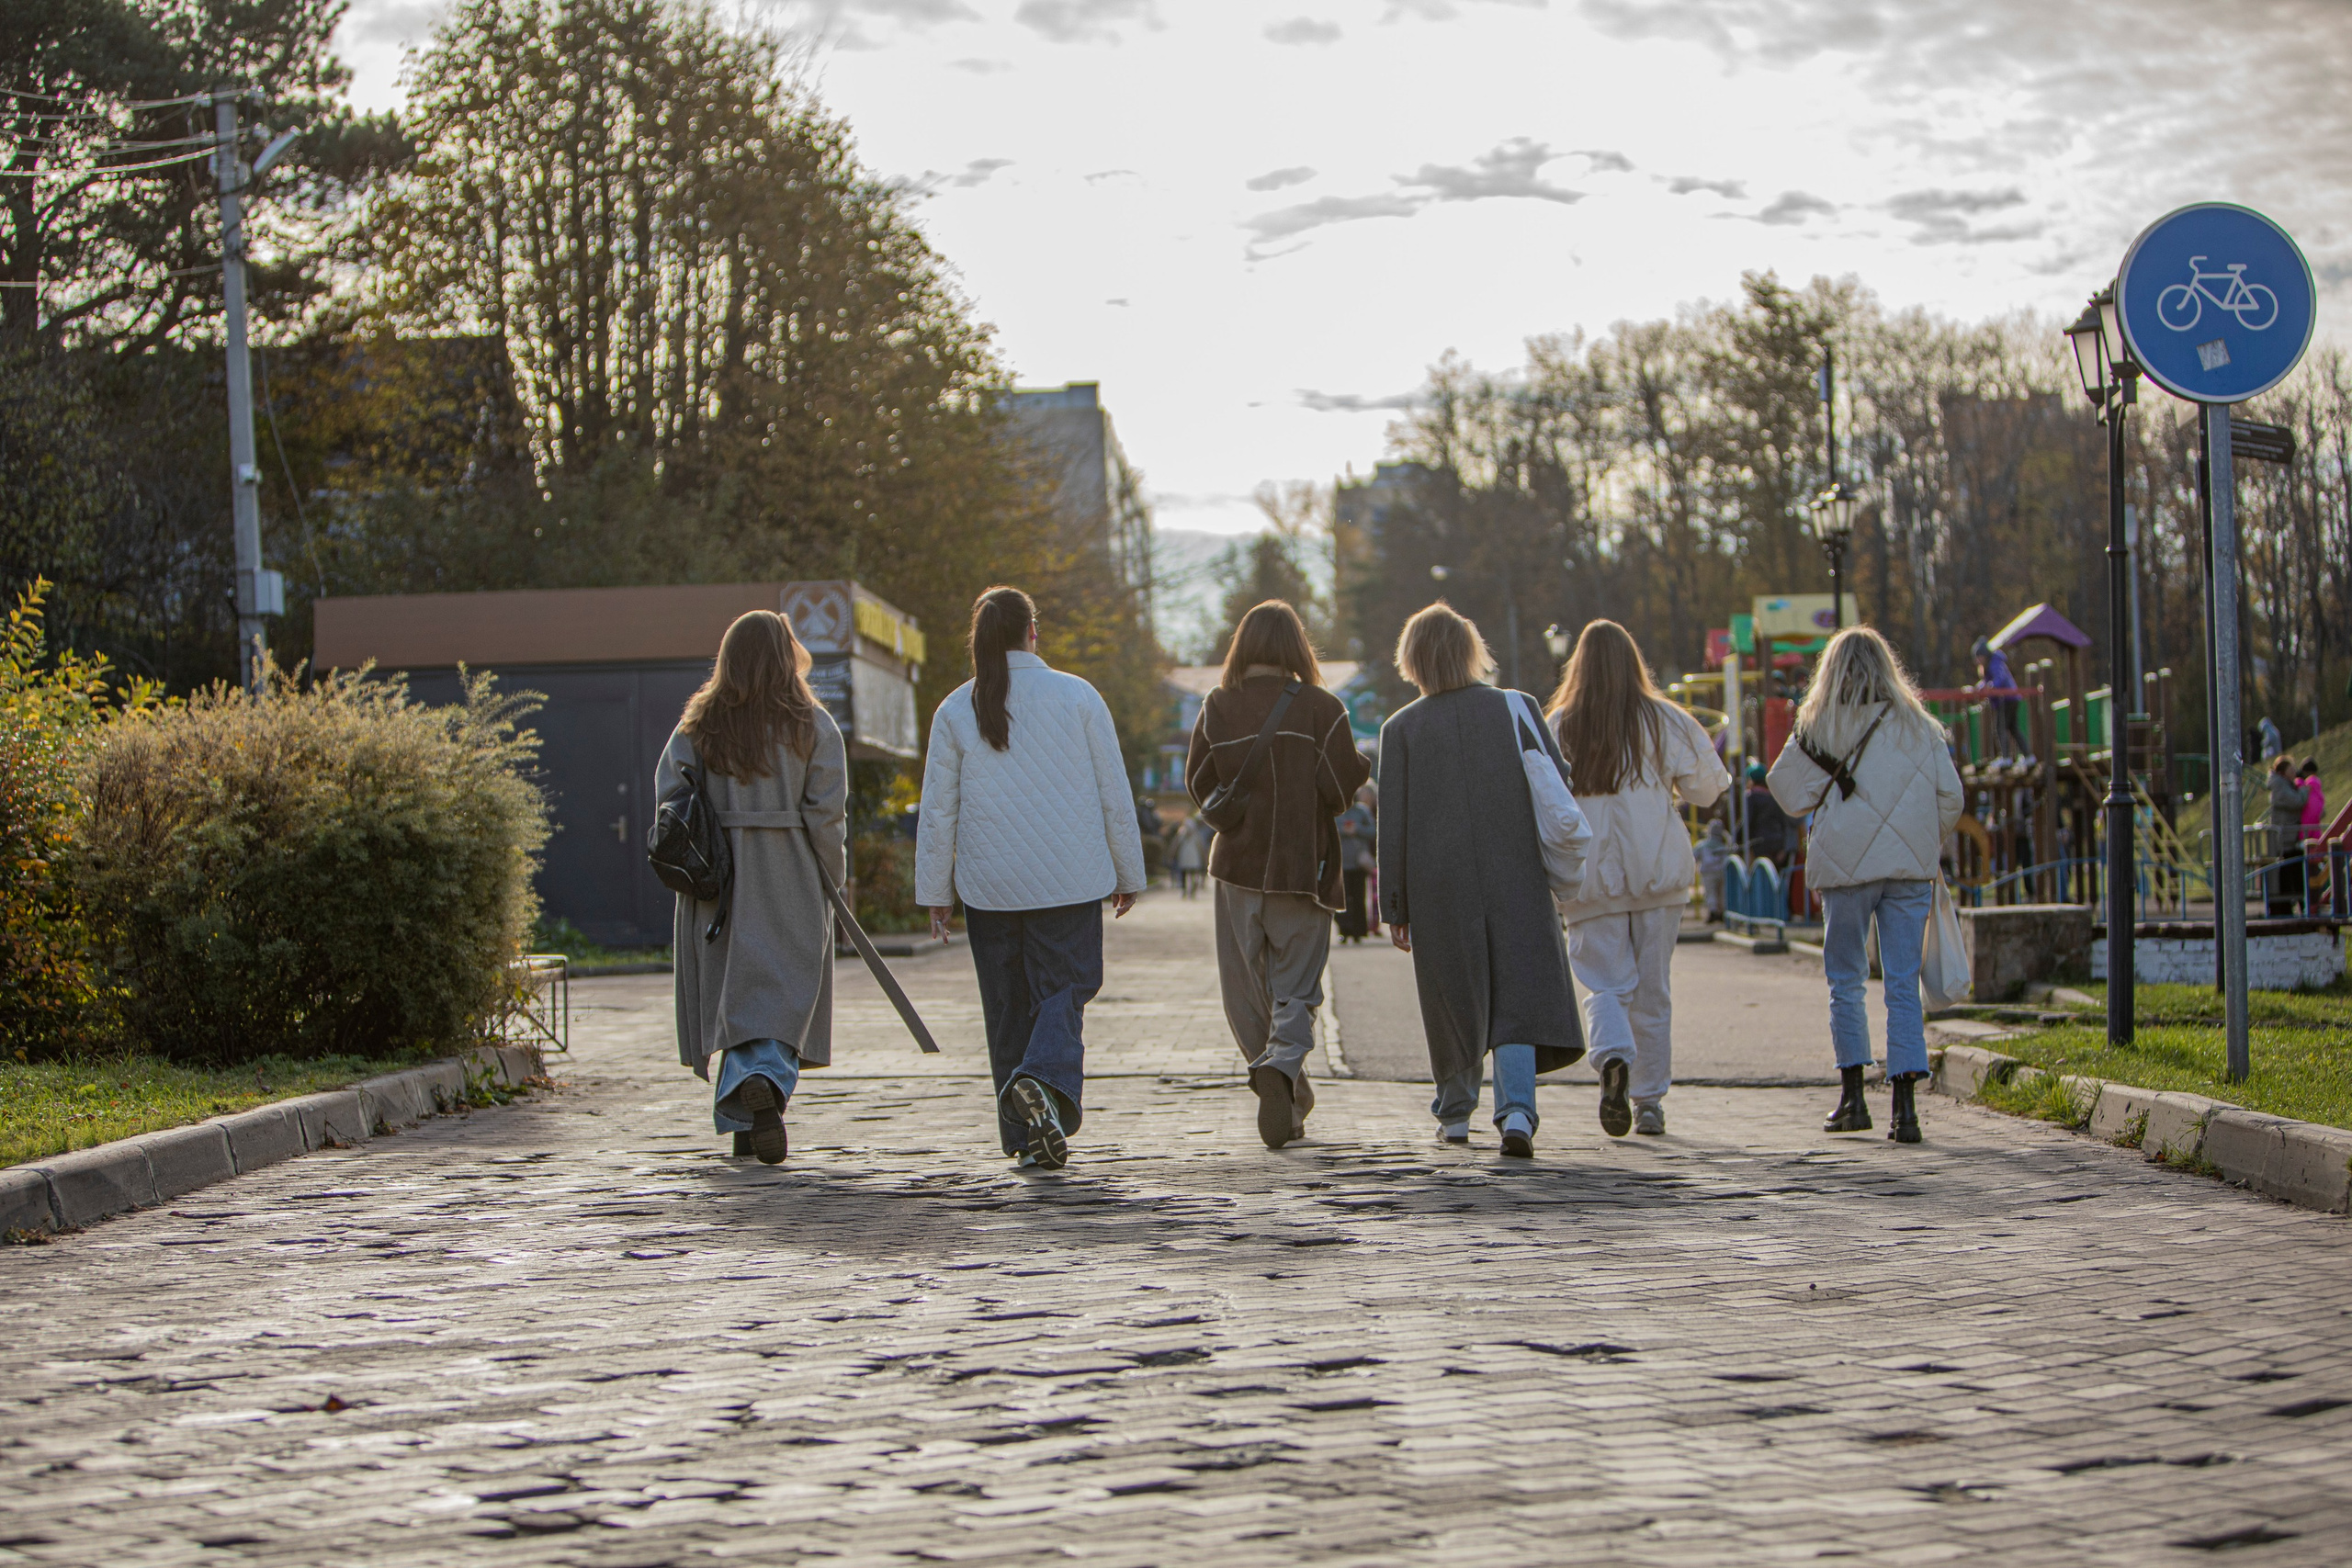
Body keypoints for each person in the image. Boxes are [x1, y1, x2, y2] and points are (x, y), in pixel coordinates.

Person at [916, 586, 1147, 1171]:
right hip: (1071, 878)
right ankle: (1041, 1080)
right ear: (1032, 632)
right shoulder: (1079, 696)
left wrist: (936, 892)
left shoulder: (956, 708)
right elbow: (1113, 792)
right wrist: (1128, 870)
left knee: (1005, 1008)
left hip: (988, 885)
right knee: (1065, 990)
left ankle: (1022, 1136)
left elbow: (939, 810)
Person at [1377, 603, 1585, 1157]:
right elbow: (1557, 779)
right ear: (1471, 651)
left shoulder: (1401, 728)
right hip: (1516, 872)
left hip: (1437, 885)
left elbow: (1392, 824)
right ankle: (1516, 1111)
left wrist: (1394, 905)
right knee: (1517, 994)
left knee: (1452, 995)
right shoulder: (1516, 707)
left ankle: (1454, 1114)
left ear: (1411, 660)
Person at [659, 609, 847, 1166]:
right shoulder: (813, 725)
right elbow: (828, 816)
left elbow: (670, 800)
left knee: (733, 995)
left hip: (717, 881)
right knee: (787, 995)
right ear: (787, 657)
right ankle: (761, 1078)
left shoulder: (698, 725)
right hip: (791, 873)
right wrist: (833, 879)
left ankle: (747, 1111)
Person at [1769, 626, 1962, 1145]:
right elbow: (1952, 798)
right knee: (1903, 983)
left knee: (1846, 980)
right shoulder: (1921, 727)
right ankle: (1906, 1111)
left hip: (1844, 869)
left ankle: (1853, 1100)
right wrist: (1920, 841)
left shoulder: (1818, 725)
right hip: (1909, 873)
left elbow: (1785, 791)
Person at [1187, 601, 1371, 1149]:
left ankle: (1286, 1098)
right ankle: (1284, 1066)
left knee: (1245, 994)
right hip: (1302, 866)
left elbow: (1200, 783)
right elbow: (1341, 789)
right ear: (1296, 646)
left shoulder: (1218, 705)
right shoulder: (1322, 708)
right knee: (1297, 988)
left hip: (1236, 868)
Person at [1547, 620, 1732, 1138]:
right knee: (1653, 989)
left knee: (1605, 983)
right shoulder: (1665, 720)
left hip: (1588, 878)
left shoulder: (1559, 726)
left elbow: (1541, 796)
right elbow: (1707, 789)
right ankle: (1649, 1100)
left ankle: (1612, 1055)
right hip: (1657, 871)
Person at [1336, 784, 1379, 943]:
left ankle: (1359, 931)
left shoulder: (1362, 811)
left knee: (1359, 897)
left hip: (1358, 863)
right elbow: (1328, 830)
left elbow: (1373, 831)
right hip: (1341, 863)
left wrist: (1357, 829)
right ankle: (1344, 930)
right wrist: (1343, 830)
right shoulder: (1336, 811)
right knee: (1343, 899)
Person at [2267, 754, 2306, 917]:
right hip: (2285, 839)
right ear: (2282, 772)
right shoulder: (2280, 786)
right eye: (2291, 769)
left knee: (2291, 871)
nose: (2294, 772)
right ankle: (2286, 906)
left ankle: (2291, 905)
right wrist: (2305, 791)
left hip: (2289, 837)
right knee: (2289, 872)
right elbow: (2296, 802)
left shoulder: (2284, 784)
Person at [1973, 637, 2021, 759]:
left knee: (2000, 727)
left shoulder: (1995, 662)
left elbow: (1999, 678)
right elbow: (1986, 682)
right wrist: (1978, 688)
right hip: (2009, 698)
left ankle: (2006, 757)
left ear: (1984, 656)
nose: (1977, 661)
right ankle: (2028, 756)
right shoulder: (1989, 665)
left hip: (2007, 699)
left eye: (1978, 657)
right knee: (2013, 729)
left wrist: (1990, 687)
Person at [1744, 761, 1790, 868]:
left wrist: (1737, 839)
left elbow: (1748, 822)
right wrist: (1783, 847)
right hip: (1777, 845)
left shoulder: (1751, 797)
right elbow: (1783, 821)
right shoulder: (1774, 797)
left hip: (1759, 844)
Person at [1696, 818, 1731, 922]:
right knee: (1722, 893)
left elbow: (1694, 856)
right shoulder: (1724, 846)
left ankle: (1713, 912)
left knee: (1710, 893)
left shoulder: (1702, 845)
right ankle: (1722, 912)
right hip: (1722, 871)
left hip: (1708, 873)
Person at [1172, 810, 1208, 897]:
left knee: (1185, 875)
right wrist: (1204, 857)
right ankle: (1191, 891)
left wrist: (1173, 854)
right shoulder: (1196, 834)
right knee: (1193, 875)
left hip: (1184, 859)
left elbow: (1176, 845)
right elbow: (1201, 847)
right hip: (1193, 859)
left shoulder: (1181, 833)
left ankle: (1186, 891)